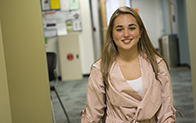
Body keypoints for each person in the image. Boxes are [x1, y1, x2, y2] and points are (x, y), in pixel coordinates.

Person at [80, 6, 182, 123]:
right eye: (119, 29)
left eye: (132, 28)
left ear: (140, 32)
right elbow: (92, 116)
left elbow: (166, 112)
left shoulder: (157, 64)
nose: (126, 34)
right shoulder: (100, 68)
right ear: (112, 34)